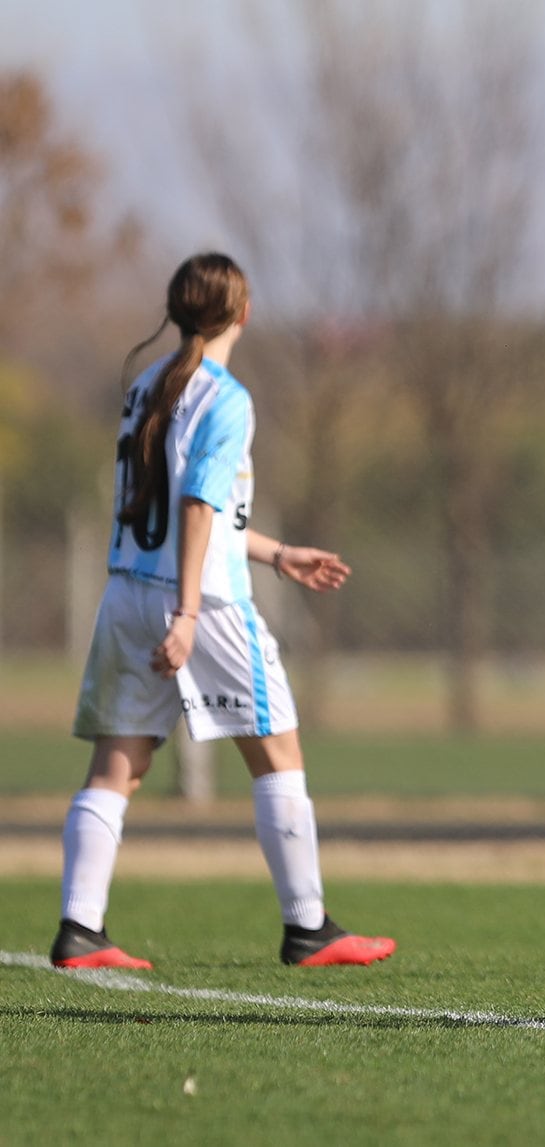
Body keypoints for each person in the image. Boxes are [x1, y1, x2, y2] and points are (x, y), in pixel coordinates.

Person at [51, 252, 396, 971]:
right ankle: (308, 926)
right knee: (277, 751)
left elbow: (186, 511)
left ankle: (79, 927)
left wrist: (275, 553)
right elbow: (197, 505)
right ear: (243, 313)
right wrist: (185, 614)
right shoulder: (226, 397)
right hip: (201, 601)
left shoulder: (147, 386)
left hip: (126, 590)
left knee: (119, 759)